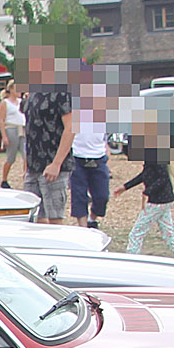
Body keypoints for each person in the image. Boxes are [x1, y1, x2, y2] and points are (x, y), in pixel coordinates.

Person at [111, 132, 174, 259]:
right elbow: (146, 174)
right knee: (169, 235)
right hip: (165, 200)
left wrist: (147, 193)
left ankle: (131, 261)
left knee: (136, 234)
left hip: (157, 201)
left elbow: (163, 178)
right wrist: (125, 187)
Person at [21, 52, 73, 225]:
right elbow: (30, 128)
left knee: (55, 217)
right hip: (34, 165)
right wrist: (26, 164)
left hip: (53, 163)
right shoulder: (33, 92)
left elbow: (71, 128)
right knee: (33, 217)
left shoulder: (61, 91)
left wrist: (57, 163)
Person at [66, 68, 113, 229]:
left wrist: (107, 148)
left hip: (98, 156)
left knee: (102, 195)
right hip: (78, 155)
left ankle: (93, 218)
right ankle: (83, 226)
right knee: (78, 194)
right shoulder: (74, 108)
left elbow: (105, 133)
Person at [0, 83, 27, 188]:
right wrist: (4, 136)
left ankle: (26, 177)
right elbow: (1, 119)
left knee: (26, 155)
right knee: (11, 157)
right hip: (11, 129)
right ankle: (4, 179)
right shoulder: (5, 103)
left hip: (22, 128)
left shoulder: (21, 102)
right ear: (11, 89)